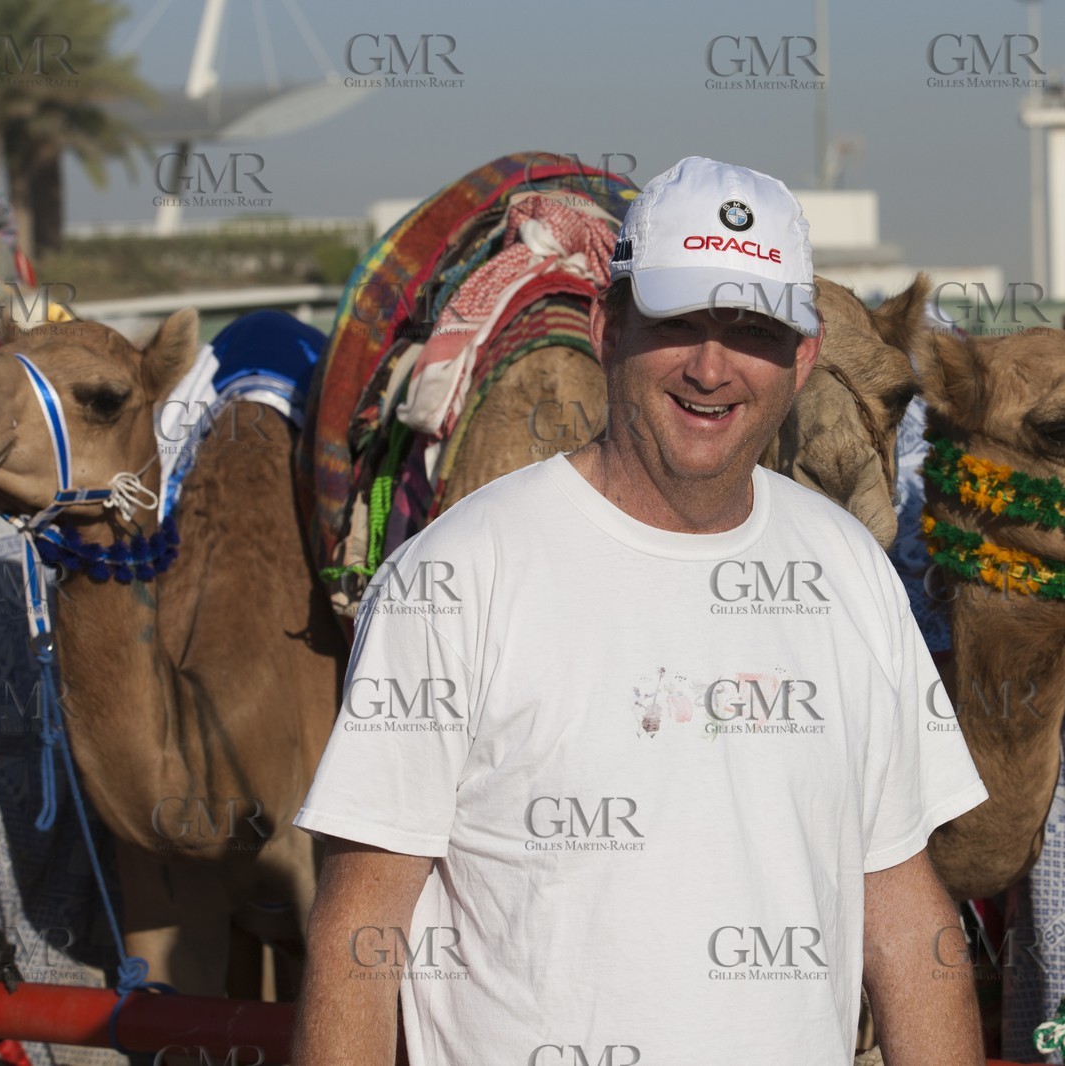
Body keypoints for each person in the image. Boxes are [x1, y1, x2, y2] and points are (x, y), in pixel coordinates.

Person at [290, 156, 988, 1064]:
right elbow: (359, 930)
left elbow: (902, 912)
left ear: (801, 358)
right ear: (606, 327)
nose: (710, 366)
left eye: (750, 329)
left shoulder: (848, 570)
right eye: (679, 322)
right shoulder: (458, 576)